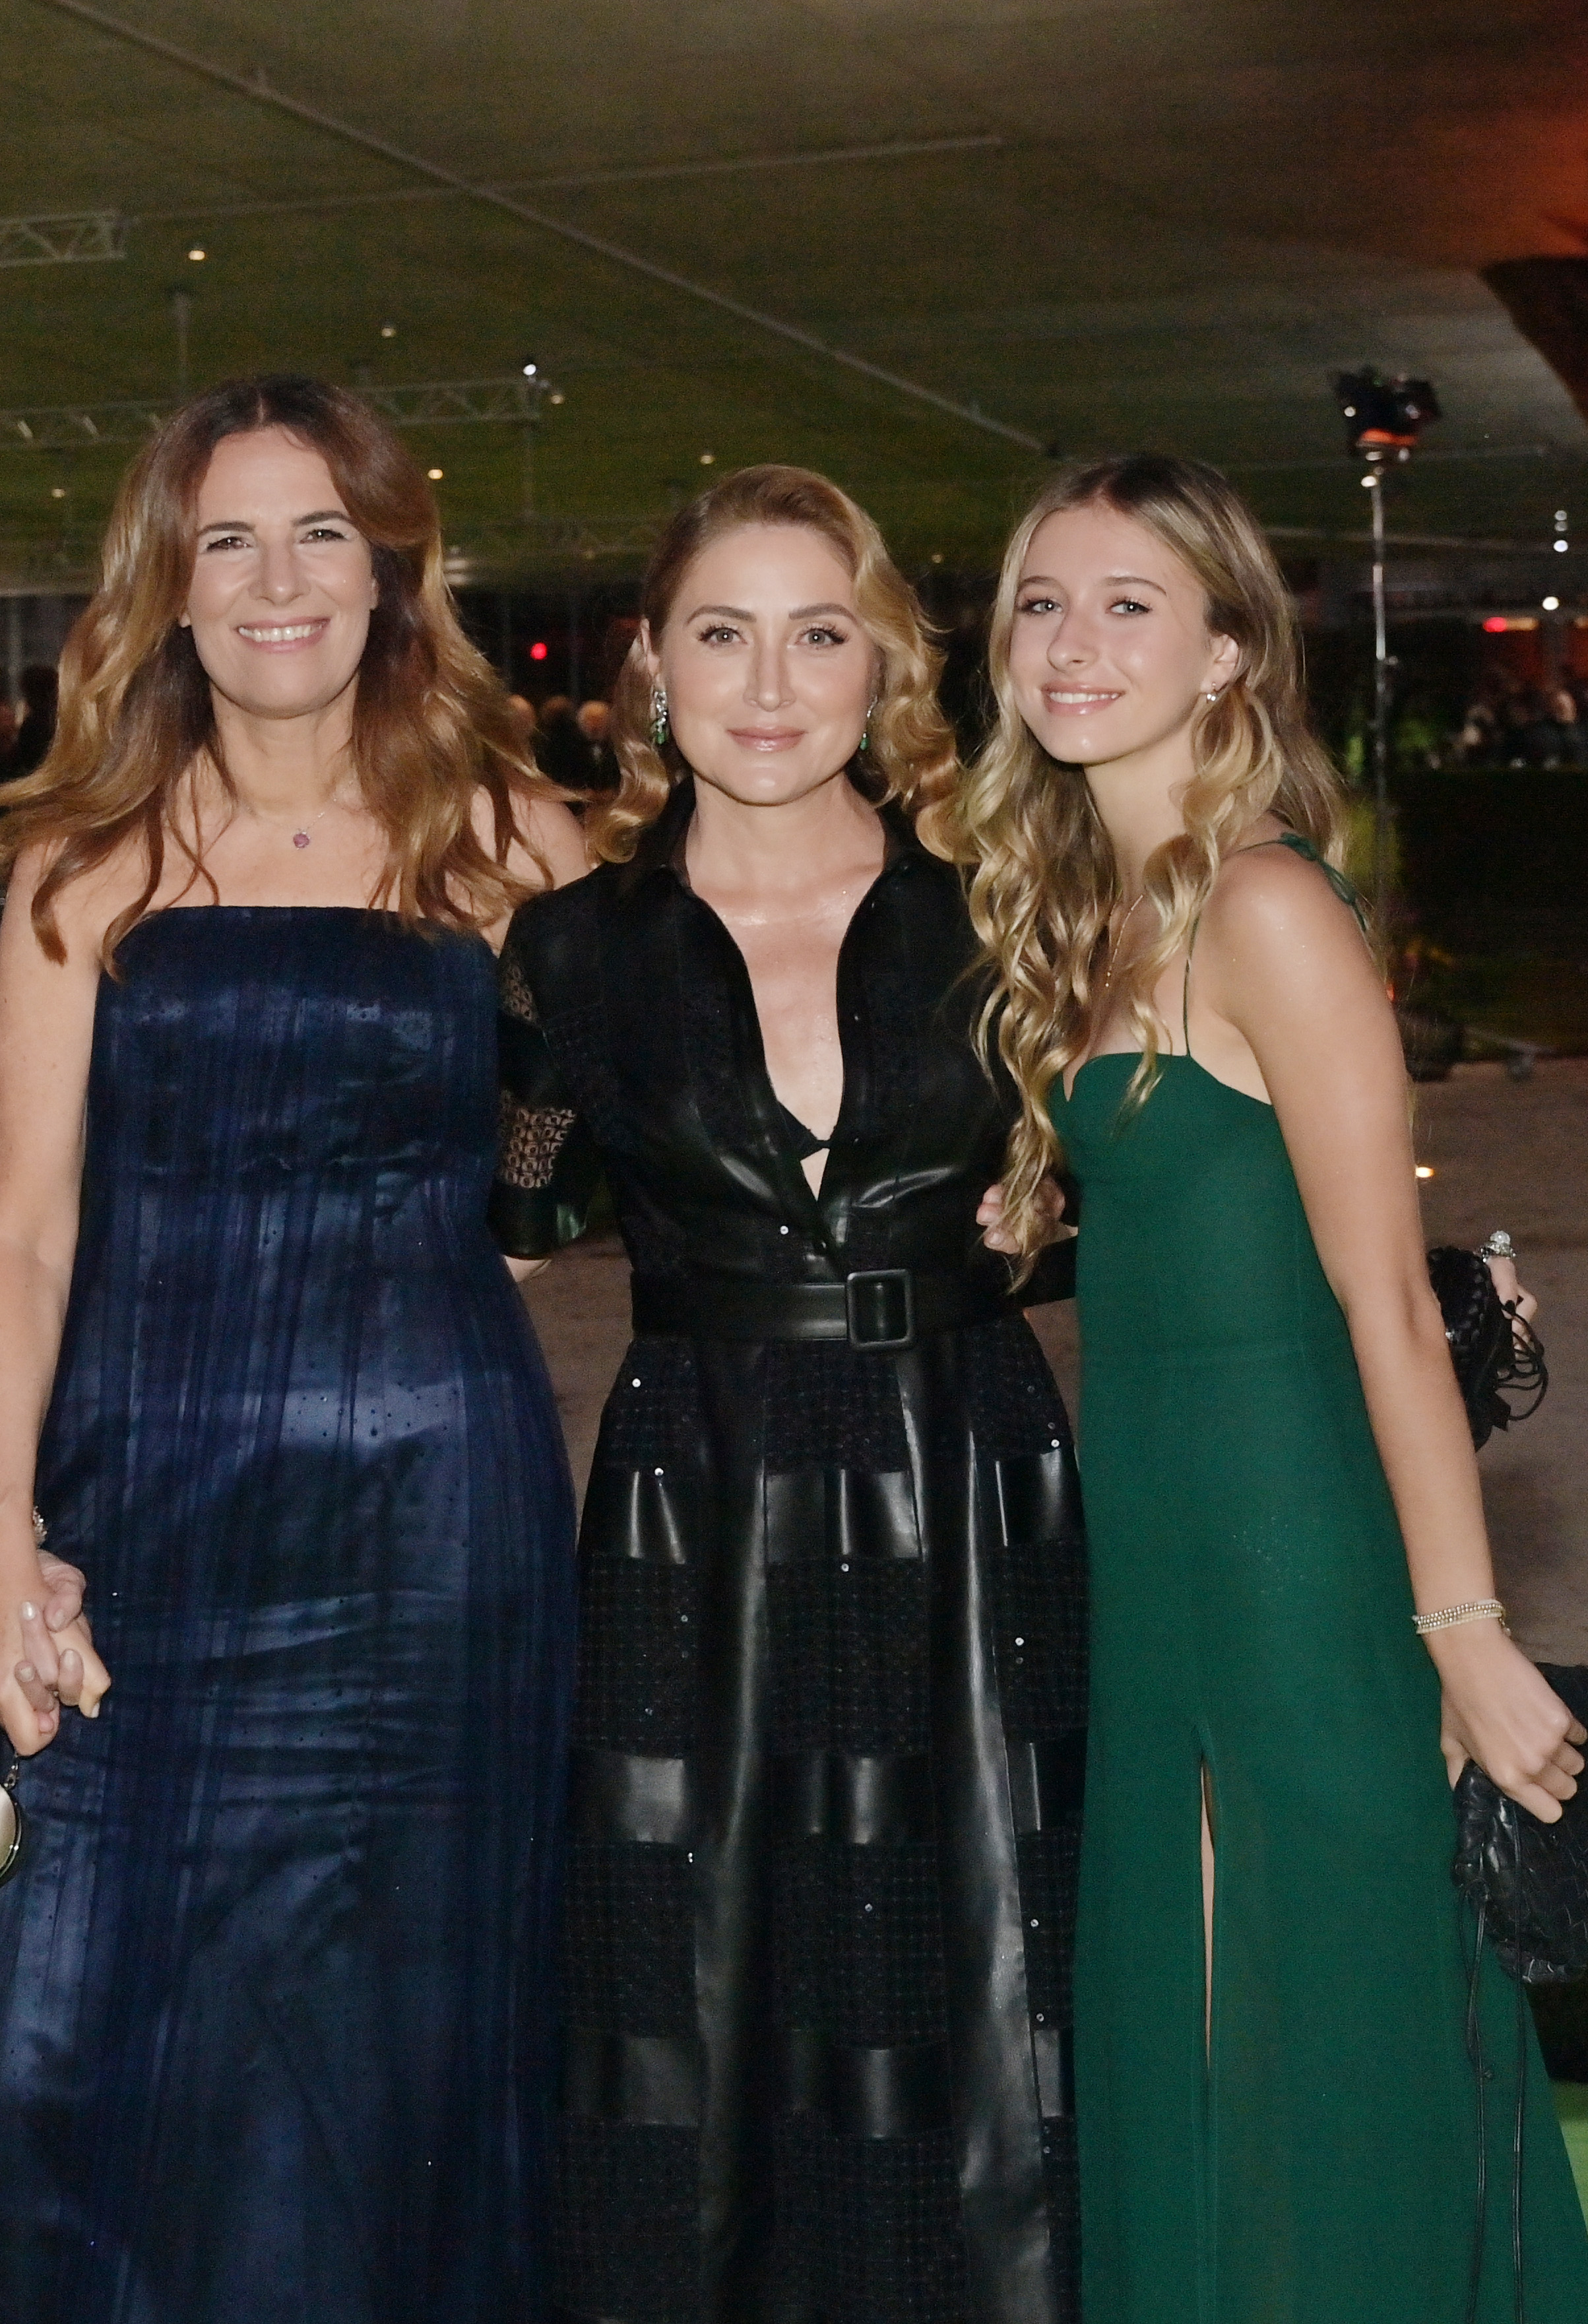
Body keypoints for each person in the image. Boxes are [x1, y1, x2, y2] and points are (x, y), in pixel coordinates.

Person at [0, 374, 590, 2322]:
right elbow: (22, 1233)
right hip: (134, 1522)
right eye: (229, 536)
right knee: (62, 2046)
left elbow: (671, 1122)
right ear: (169, 583)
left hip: (428, 1535)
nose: (277, 577)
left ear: (390, 572)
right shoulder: (75, 858)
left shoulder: (508, 840)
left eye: (322, 532)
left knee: (392, 2058)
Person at [960, 453, 1588, 2322]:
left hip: (1298, 1568)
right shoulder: (1086, 907)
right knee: (1199, 2036)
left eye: (1127, 605)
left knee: (1332, 2047)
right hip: (1158, 1557)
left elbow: (1380, 1309)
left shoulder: (1262, 907)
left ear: (1229, 653)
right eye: (1039, 601)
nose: (1069, 643)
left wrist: (1468, 1634)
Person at [495, 465, 1089, 2321]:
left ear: (885, 667)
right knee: (694, 1974)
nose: (769, 682)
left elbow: (1131, 1190)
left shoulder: (1012, 915)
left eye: (817, 632)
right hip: (696, 1501)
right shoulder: (567, 952)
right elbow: (505, 1222)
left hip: (972, 1480)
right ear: (650, 669)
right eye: (721, 632)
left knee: (984, 1955)